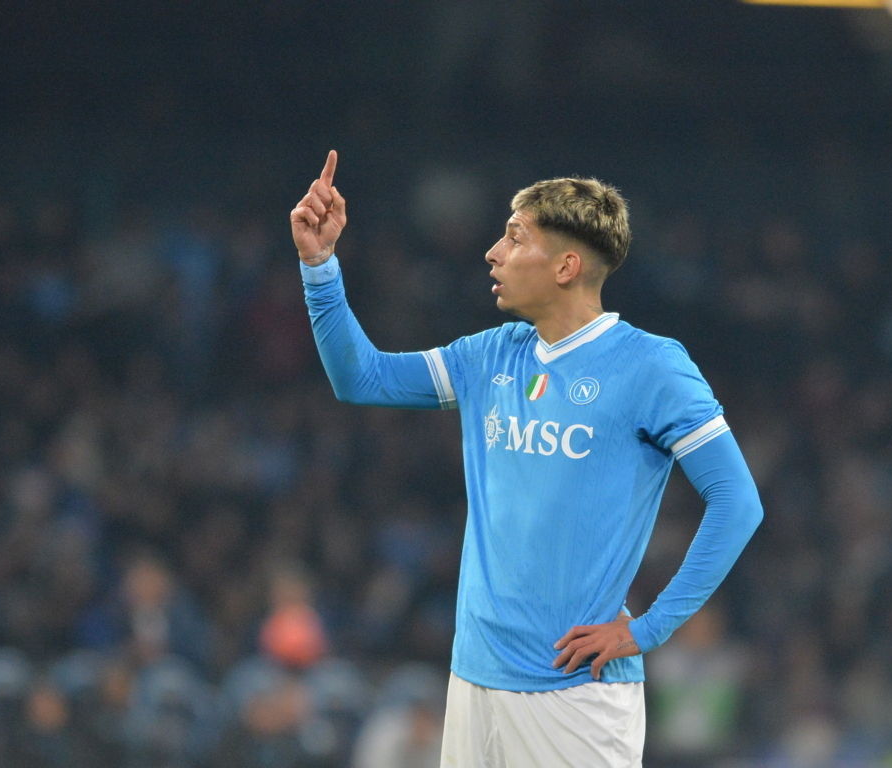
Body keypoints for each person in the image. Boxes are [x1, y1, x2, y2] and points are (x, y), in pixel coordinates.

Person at [290, 150, 764, 767]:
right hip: (473, 677)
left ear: (567, 265)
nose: (494, 253)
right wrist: (320, 266)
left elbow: (737, 502)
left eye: (515, 238)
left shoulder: (651, 366)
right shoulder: (491, 354)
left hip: (573, 693)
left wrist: (649, 629)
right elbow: (364, 378)